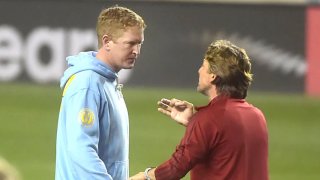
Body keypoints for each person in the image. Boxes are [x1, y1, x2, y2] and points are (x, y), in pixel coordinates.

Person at [130, 40, 268, 180]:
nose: (199, 70)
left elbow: (174, 169)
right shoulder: (257, 115)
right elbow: (226, 144)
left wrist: (144, 175)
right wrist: (194, 121)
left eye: (203, 66)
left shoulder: (208, 120)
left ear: (213, 76)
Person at [55, 5, 146, 180]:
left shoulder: (107, 81)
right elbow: (81, 151)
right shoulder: (87, 84)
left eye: (139, 43)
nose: (136, 51)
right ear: (107, 42)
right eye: (130, 43)